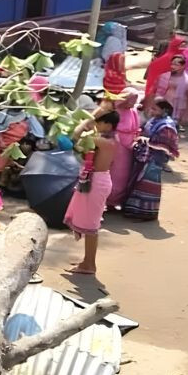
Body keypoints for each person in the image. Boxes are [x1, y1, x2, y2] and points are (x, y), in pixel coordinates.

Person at [65, 109, 121, 274]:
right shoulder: (106, 139)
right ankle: (87, 260)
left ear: (108, 125)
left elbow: (75, 136)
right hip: (94, 180)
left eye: (99, 122)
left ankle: (89, 264)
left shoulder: (105, 141)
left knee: (91, 226)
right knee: (90, 223)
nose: (96, 125)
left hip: (97, 182)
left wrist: (88, 119)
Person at [123, 98, 180, 221]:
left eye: (155, 108)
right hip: (144, 156)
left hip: (154, 159)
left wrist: (145, 140)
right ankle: (134, 210)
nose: (151, 111)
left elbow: (164, 144)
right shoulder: (155, 120)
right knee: (138, 183)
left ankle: (146, 213)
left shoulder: (167, 125)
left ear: (163, 109)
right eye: (151, 108)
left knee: (147, 185)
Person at [107, 89, 142, 209]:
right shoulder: (115, 111)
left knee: (126, 174)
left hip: (130, 146)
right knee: (116, 173)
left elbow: (137, 127)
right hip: (118, 146)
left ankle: (118, 199)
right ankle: (109, 200)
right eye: (132, 100)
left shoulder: (133, 111)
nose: (134, 102)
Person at [153, 55, 188, 127]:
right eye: (172, 64)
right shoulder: (164, 76)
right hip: (164, 104)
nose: (173, 66)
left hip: (178, 108)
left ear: (183, 66)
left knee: (172, 127)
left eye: (176, 65)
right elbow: (155, 90)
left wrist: (187, 115)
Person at [143, 34, 188, 104]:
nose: (184, 48)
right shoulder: (166, 58)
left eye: (185, 46)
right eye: (182, 46)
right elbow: (154, 69)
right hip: (163, 88)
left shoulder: (184, 57)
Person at [99, 21, 129, 96]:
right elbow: (108, 56)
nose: (122, 32)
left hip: (115, 61)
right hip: (111, 62)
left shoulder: (116, 39)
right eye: (119, 30)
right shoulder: (112, 40)